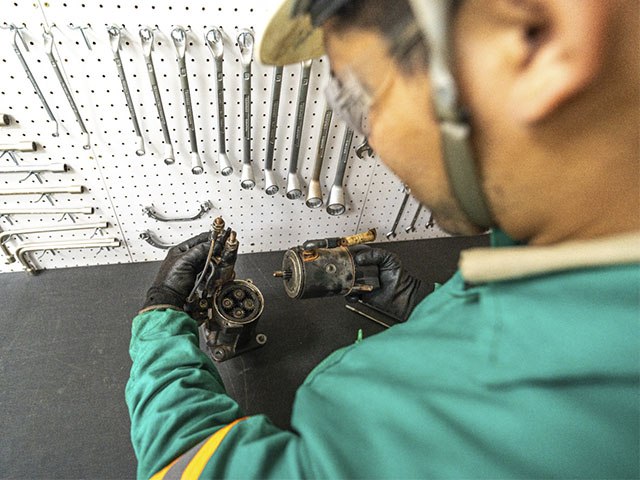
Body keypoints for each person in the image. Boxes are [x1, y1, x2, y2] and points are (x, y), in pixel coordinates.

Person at [126, 0, 640, 478]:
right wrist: (428, 310)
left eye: (364, 95)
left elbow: (185, 466)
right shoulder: (571, 261)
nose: (372, 137)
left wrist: (160, 316)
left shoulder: (420, 412)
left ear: (538, 35)